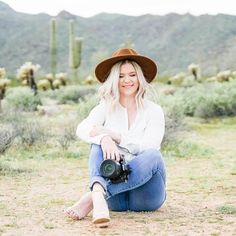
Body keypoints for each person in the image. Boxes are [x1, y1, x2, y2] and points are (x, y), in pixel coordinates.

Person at [64, 48, 166, 228]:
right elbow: (83, 128)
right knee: (98, 144)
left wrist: (117, 137)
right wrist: (104, 138)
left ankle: (93, 198)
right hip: (116, 201)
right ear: (114, 80)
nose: (127, 80)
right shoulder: (106, 107)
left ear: (140, 78)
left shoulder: (154, 110)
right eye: (120, 76)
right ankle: (98, 191)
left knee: (154, 156)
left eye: (132, 75)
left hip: (146, 196)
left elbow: (150, 145)